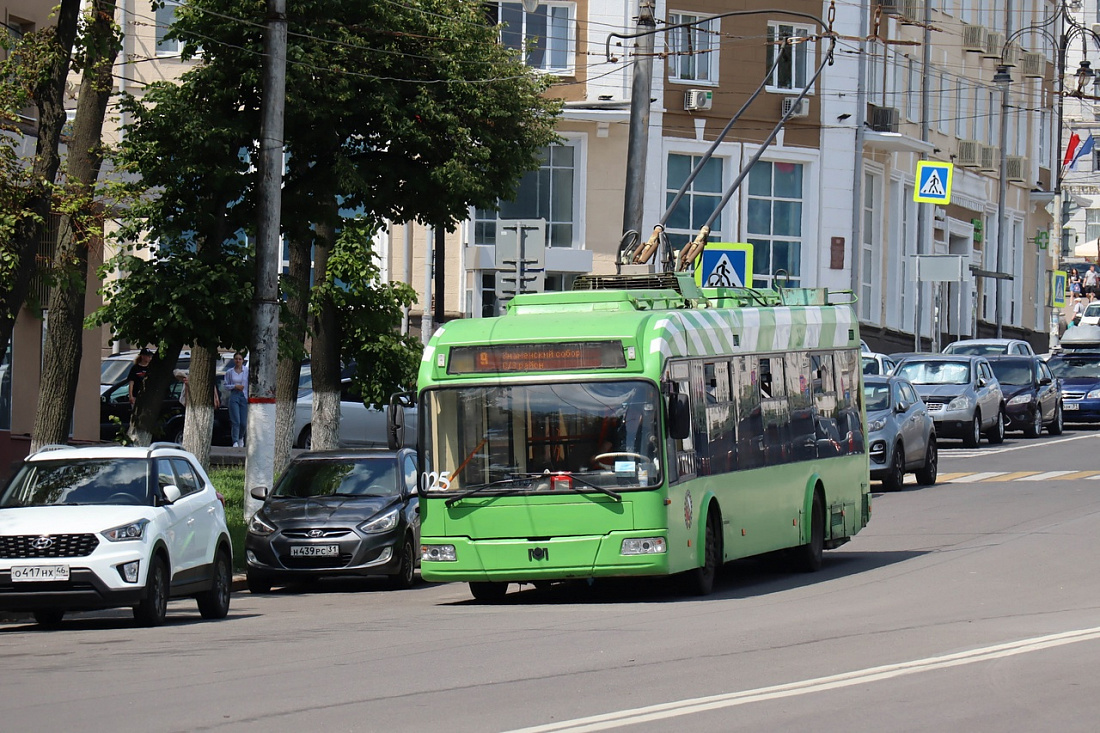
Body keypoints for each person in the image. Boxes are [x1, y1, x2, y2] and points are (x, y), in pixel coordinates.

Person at [224, 352, 248, 447]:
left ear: (242, 360)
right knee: (236, 421)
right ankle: (235, 441)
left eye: (240, 359)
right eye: (236, 359)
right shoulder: (230, 372)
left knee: (243, 422)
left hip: (244, 396)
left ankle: (240, 437)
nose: (238, 361)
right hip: (234, 395)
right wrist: (235, 386)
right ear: (234, 360)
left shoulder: (246, 371)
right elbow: (226, 385)